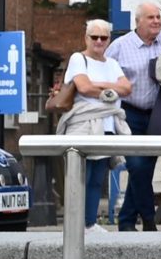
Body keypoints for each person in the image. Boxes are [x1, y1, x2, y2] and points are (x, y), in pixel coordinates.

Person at [103, 2, 161, 231]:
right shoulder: (120, 46)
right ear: (138, 22)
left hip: (157, 114)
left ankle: (126, 222)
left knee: (145, 169)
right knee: (136, 167)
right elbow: (104, 69)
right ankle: (148, 220)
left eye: (158, 17)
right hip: (129, 113)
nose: (156, 21)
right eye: (151, 18)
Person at [56, 20, 130, 229]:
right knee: (80, 178)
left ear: (109, 40)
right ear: (86, 38)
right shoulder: (78, 59)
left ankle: (89, 224)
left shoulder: (112, 63)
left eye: (103, 37)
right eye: (94, 37)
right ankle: (75, 225)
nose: (99, 41)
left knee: (97, 179)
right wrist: (111, 90)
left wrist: (100, 86)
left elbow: (126, 88)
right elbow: (83, 87)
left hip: (106, 127)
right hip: (82, 125)